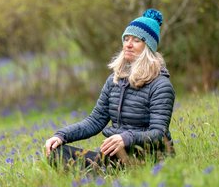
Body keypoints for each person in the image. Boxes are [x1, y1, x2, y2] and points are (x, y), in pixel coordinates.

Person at [45, 9, 175, 169]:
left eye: (136, 40)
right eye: (126, 38)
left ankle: (101, 176)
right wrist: (61, 135)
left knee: (94, 168)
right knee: (56, 152)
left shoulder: (160, 85)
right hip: (115, 155)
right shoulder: (114, 81)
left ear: (148, 46)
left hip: (149, 158)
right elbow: (95, 121)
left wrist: (126, 138)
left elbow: (159, 134)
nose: (128, 44)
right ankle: (98, 175)